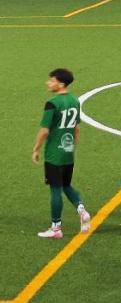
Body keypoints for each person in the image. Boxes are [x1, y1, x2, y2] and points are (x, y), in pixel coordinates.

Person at [32, 68, 91, 239]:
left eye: (51, 80)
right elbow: (76, 128)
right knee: (66, 185)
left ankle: (56, 228)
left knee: (55, 189)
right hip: (68, 152)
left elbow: (44, 131)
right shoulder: (74, 100)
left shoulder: (52, 103)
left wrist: (36, 149)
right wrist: (72, 146)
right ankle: (81, 209)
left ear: (61, 83)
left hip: (54, 155)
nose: (48, 83)